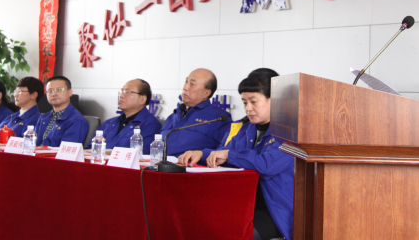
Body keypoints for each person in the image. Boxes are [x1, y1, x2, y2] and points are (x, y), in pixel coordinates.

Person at [179, 68, 294, 240]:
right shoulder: (246, 129)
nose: (248, 109)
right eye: (244, 102)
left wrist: (229, 155)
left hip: (275, 210)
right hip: (242, 204)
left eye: (253, 102)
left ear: (275, 99)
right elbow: (223, 153)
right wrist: (201, 154)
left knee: (234, 234)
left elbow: (267, 165)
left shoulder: (289, 132)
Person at [160, 68, 230, 157]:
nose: (185, 87)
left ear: (206, 93)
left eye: (192, 84)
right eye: (186, 82)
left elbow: (224, 153)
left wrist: (202, 155)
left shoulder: (219, 118)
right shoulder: (176, 113)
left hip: (189, 165)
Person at [89, 79, 161, 154]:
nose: (121, 96)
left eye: (128, 92)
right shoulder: (108, 123)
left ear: (142, 99)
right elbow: (89, 150)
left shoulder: (151, 125)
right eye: (122, 92)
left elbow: (142, 155)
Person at [35, 76, 89, 147]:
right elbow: (32, 143)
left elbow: (67, 150)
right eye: (50, 91)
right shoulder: (43, 118)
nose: (54, 94)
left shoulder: (76, 120)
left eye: (60, 90)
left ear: (70, 92)